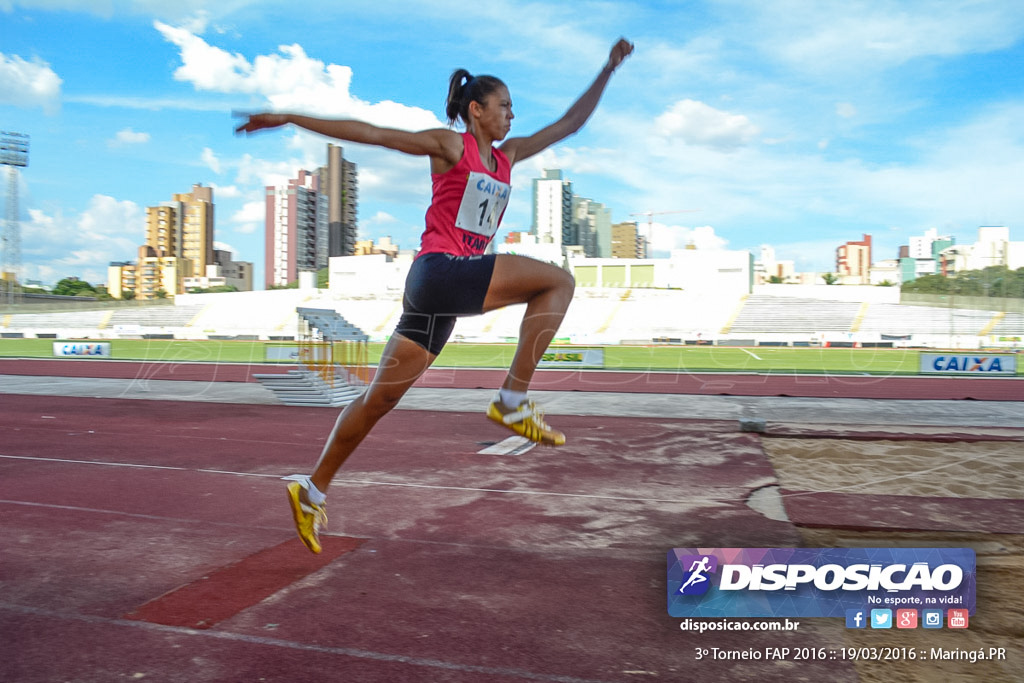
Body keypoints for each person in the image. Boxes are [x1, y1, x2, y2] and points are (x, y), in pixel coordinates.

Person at [236, 38, 633, 553]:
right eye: (505, 106)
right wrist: (291, 117)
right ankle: (512, 399)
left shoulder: (508, 157)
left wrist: (607, 67)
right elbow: (374, 133)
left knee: (378, 399)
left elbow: (569, 124)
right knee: (559, 281)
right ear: (477, 109)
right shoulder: (451, 148)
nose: (513, 115)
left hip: (437, 297)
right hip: (441, 271)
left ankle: (311, 489)